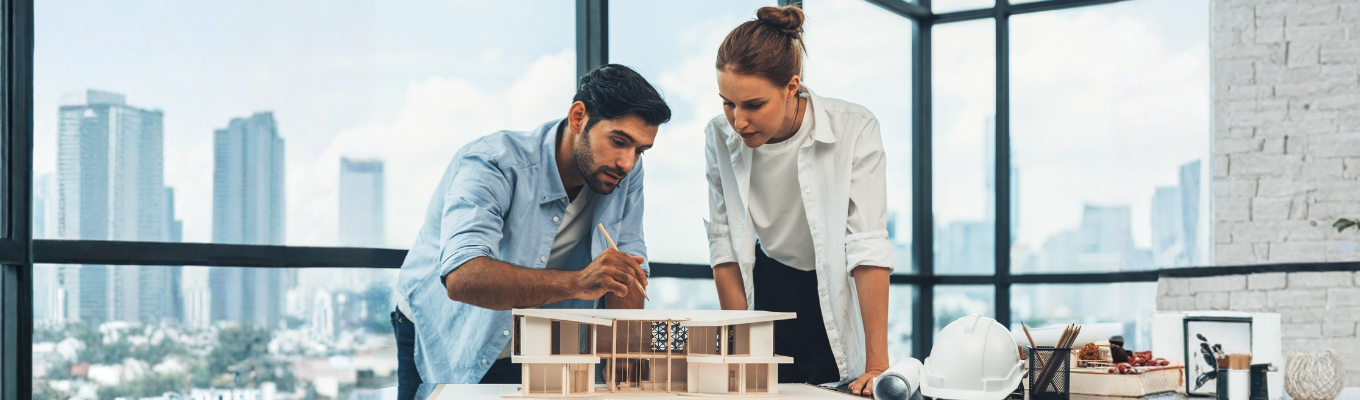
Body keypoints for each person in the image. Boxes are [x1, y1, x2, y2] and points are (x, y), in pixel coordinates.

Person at [392, 64, 671, 400]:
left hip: (537, 337)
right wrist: (578, 283)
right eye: (618, 141)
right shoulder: (493, 162)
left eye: (639, 150)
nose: (627, 162)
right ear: (578, 118)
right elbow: (462, 277)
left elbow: (626, 267)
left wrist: (622, 351)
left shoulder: (624, 173)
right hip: (449, 326)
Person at [704, 6, 893, 397]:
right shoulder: (718, 135)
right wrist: (738, 350)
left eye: (753, 104)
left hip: (830, 292)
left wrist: (877, 365)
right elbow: (725, 246)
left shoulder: (855, 127)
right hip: (766, 285)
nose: (738, 121)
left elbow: (867, 245)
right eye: (728, 103)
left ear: (791, 87)